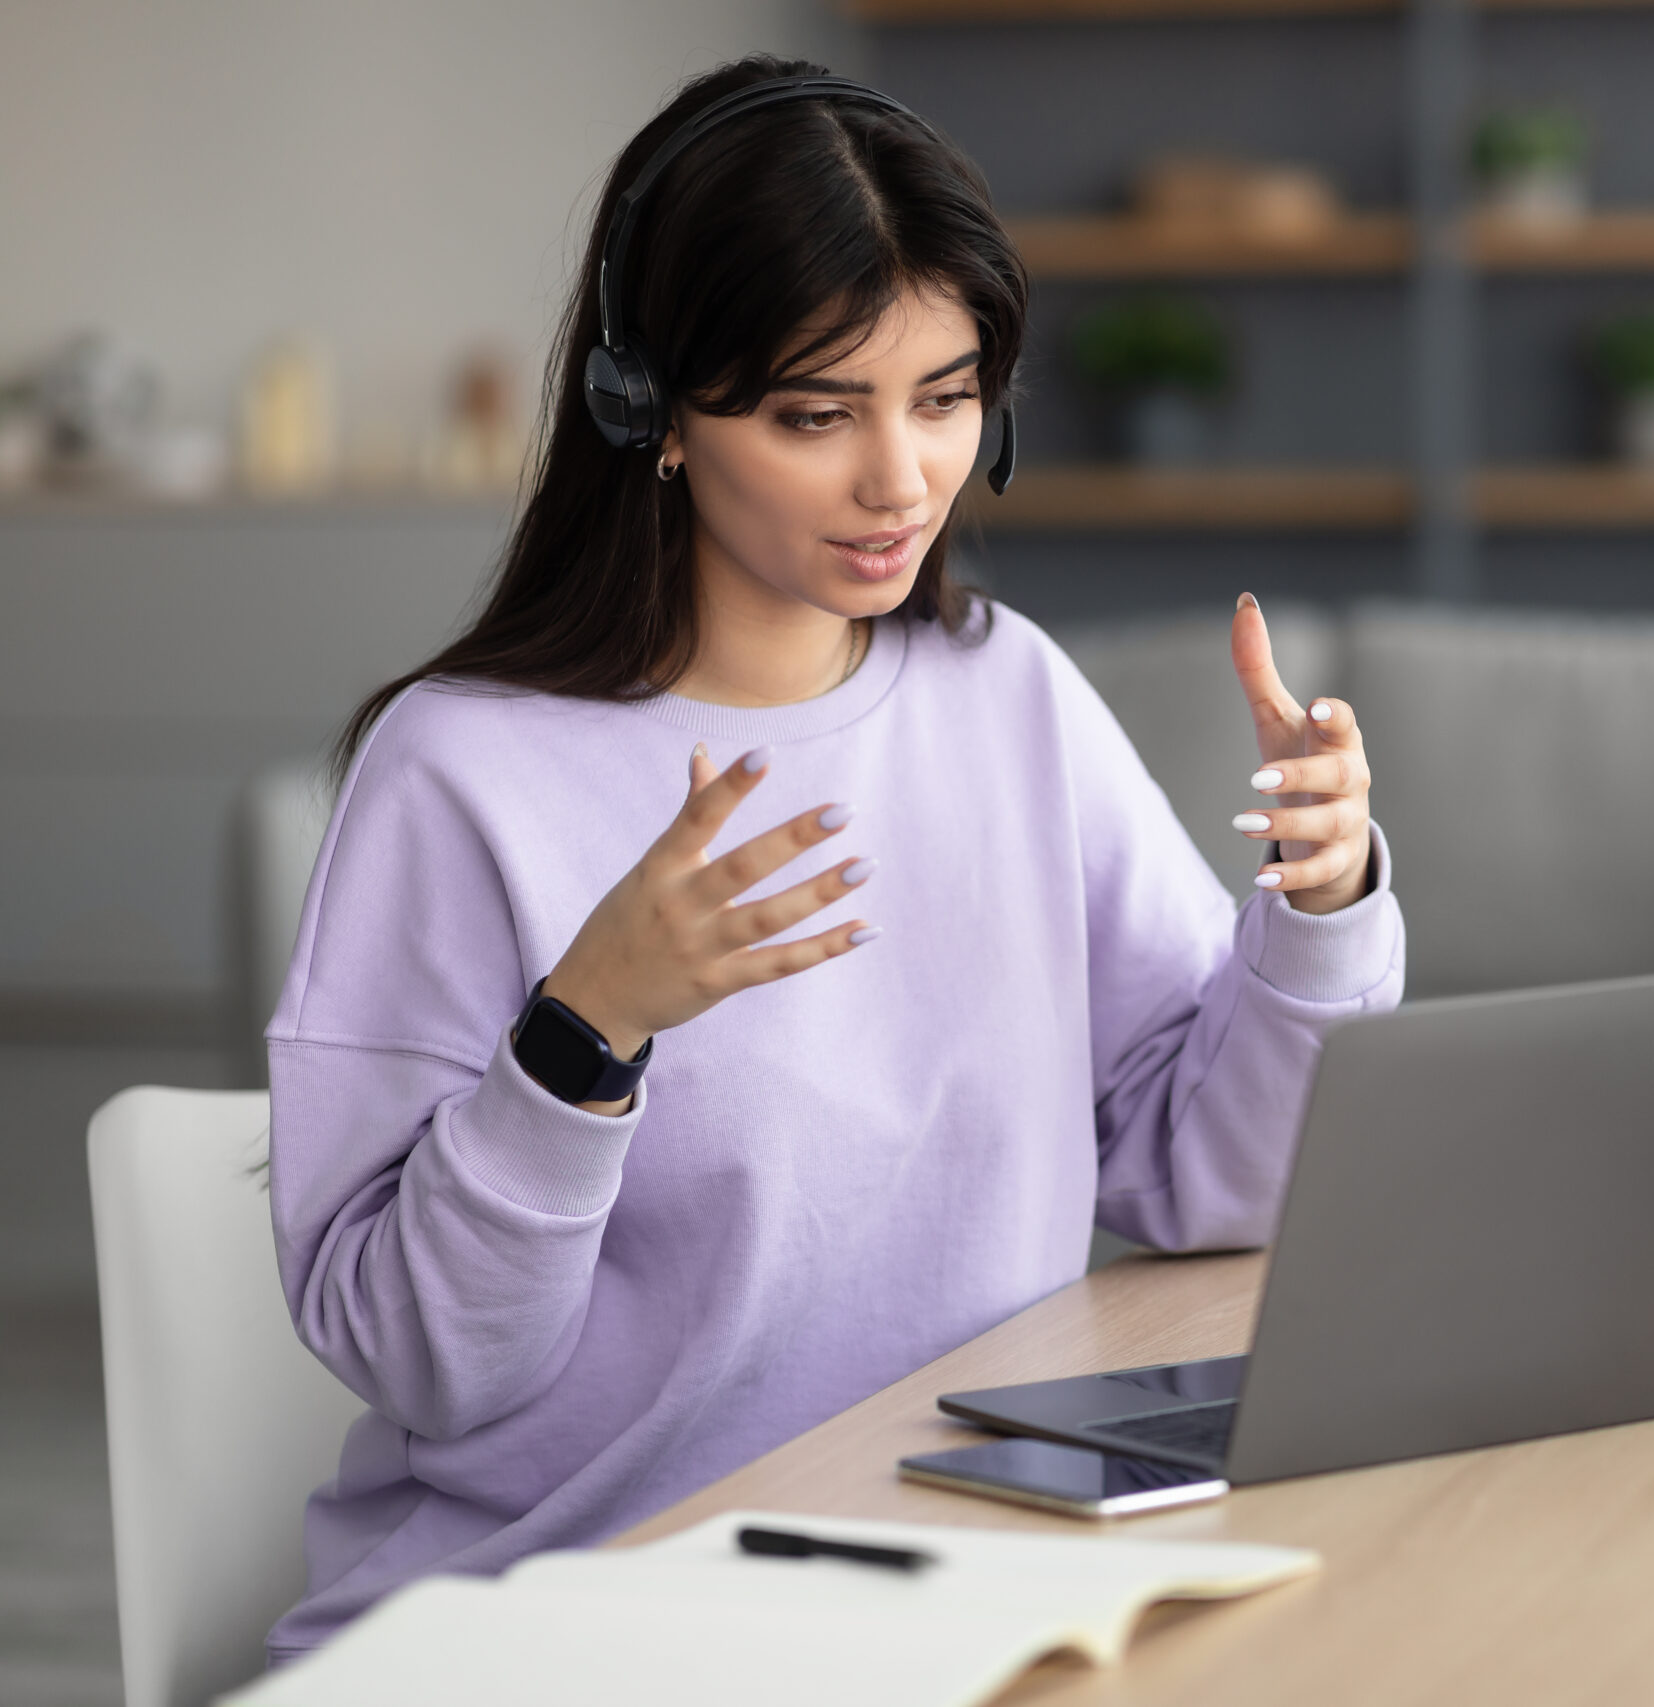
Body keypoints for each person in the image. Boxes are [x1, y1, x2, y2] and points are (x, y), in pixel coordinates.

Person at [263, 57, 1402, 1663]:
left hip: (955, 1591)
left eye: (945, 399)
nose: (902, 479)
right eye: (818, 413)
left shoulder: (1007, 693)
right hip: (572, 1622)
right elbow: (424, 1358)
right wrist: (585, 1031)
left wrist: (1322, 910)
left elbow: (1208, 1178)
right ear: (646, 411)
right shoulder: (461, 770)